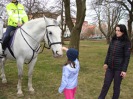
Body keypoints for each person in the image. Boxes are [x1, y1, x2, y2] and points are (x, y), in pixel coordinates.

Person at [98, 24, 131, 99]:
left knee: (116, 87)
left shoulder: (126, 42)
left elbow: (127, 57)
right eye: (116, 30)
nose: (117, 32)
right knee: (106, 85)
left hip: (119, 69)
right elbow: (109, 52)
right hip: (110, 68)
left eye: (118, 30)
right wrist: (106, 63)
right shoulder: (113, 40)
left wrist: (124, 70)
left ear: (123, 31)